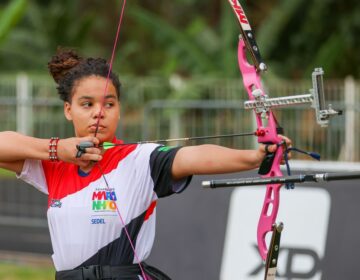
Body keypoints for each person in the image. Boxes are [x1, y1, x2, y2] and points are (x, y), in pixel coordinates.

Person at [0, 49, 291, 280]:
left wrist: (253, 157)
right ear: (68, 110)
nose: (99, 113)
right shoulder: (53, 166)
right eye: (87, 104)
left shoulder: (141, 159)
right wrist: (55, 149)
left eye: (109, 104)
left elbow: (193, 157)